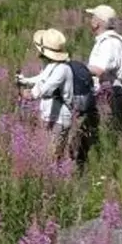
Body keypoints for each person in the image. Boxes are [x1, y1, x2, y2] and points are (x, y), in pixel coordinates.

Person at [18, 29, 96, 170]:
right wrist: (25, 81)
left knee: (53, 155)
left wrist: (31, 94)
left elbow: (48, 86)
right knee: (48, 152)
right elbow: (41, 79)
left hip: (59, 118)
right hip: (49, 115)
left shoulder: (62, 68)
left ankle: (57, 183)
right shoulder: (51, 65)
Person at [85, 4, 122, 145]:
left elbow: (100, 69)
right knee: (110, 136)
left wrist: (77, 68)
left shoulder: (109, 43)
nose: (91, 20)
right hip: (110, 93)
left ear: (98, 22)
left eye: (93, 17)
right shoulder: (111, 41)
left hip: (109, 93)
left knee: (110, 138)